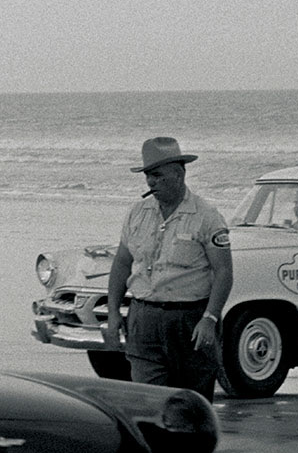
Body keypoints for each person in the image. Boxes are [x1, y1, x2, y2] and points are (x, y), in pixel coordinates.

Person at [100, 137, 233, 399]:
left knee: (191, 405)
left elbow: (224, 272)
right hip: (143, 320)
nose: (151, 182)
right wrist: (113, 312)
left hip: (188, 322)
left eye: (157, 175)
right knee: (147, 402)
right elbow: (122, 263)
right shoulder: (137, 213)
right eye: (148, 175)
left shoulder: (207, 216)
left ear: (178, 173)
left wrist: (210, 318)